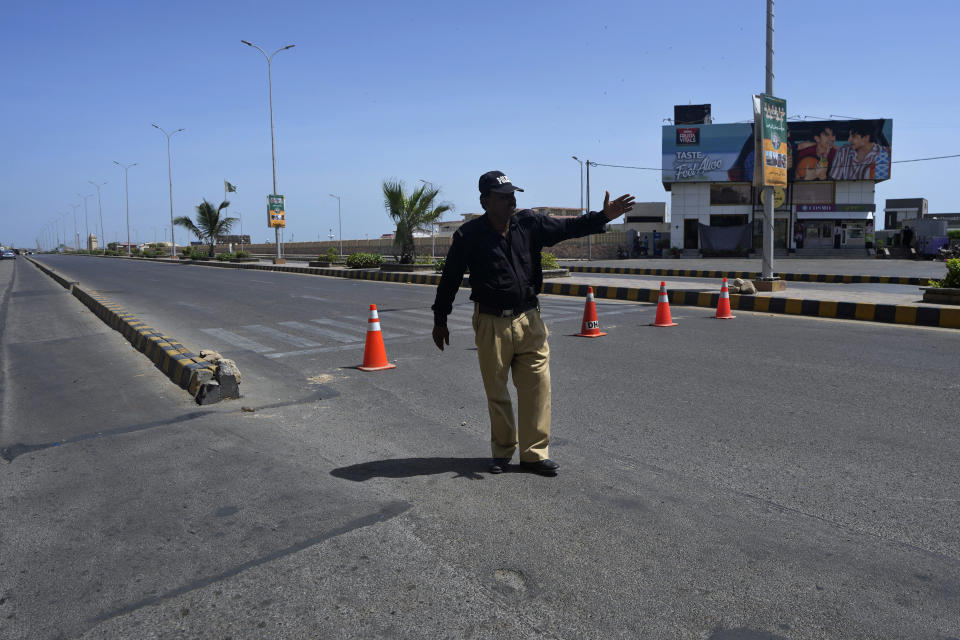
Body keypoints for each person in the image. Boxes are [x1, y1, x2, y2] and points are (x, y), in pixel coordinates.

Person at [432, 171, 635, 476]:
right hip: (491, 322)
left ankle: (534, 454)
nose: (511, 200)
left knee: (537, 388)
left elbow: (570, 227)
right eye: (503, 196)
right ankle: (502, 452)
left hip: (530, 318)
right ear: (485, 201)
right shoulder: (468, 235)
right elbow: (449, 279)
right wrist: (440, 319)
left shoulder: (530, 223)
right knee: (497, 392)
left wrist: (603, 216)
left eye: (513, 194)